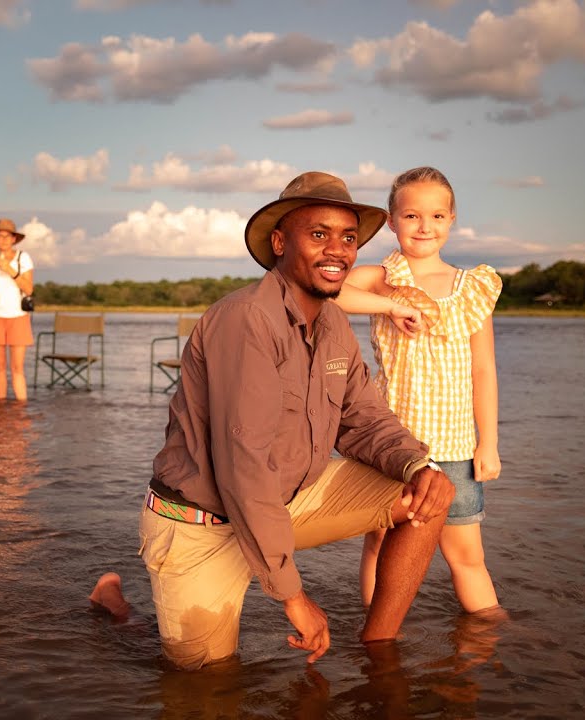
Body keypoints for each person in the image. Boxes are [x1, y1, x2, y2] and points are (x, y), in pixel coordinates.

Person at [89, 171, 455, 671]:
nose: (337, 250)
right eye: (319, 234)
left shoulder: (333, 326)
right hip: (204, 523)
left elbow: (364, 420)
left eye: (348, 238)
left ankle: (377, 653)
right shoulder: (245, 321)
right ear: (280, 242)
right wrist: (293, 597)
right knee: (202, 680)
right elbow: (245, 468)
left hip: (287, 502)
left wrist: (418, 465)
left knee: (430, 493)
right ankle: (115, 607)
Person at [334, 166, 504, 615]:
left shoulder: (473, 288)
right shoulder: (381, 277)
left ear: (452, 220)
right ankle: (377, 642)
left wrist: (489, 444)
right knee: (379, 546)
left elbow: (484, 370)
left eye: (436, 216)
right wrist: (390, 305)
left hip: (455, 447)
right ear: (392, 221)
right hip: (392, 443)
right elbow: (327, 293)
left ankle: (495, 643)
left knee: (467, 557)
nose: (424, 227)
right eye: (411, 216)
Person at [0, 218, 35, 402]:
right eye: (0, 236)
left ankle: (22, 410)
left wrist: (10, 270)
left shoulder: (23, 257)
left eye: (8, 236)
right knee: (0, 366)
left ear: (14, 239)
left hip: (18, 316)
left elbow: (29, 289)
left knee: (17, 368)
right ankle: (0, 408)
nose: (4, 240)